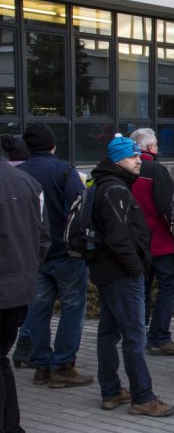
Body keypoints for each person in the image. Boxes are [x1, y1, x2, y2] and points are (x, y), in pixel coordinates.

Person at [89, 134, 174, 416]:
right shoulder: (115, 189)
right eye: (132, 156)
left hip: (108, 270)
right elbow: (117, 238)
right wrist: (137, 269)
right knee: (134, 336)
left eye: (138, 155)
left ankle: (112, 391)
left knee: (109, 331)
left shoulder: (104, 184)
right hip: (121, 273)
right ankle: (143, 397)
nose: (139, 160)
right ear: (117, 160)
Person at [17, 123, 93, 389]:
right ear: (53, 145)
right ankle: (62, 365)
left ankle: (40, 364)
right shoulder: (64, 171)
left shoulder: (19, 173)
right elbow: (81, 207)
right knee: (73, 308)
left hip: (33, 255)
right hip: (66, 253)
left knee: (38, 310)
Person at [0, 146, 50, 433]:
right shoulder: (27, 183)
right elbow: (44, 238)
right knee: (2, 359)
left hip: (11, 286)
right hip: (19, 289)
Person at [129, 128, 174, 357]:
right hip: (160, 242)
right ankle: (159, 337)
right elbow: (168, 209)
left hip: (135, 242)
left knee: (140, 288)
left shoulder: (124, 169)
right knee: (167, 287)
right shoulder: (156, 170)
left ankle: (136, 334)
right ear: (151, 148)